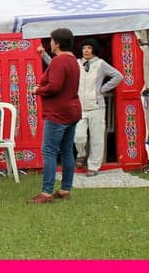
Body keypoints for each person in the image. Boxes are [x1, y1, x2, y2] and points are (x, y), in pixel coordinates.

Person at [30, 27, 82, 203]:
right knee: (67, 151)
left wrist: (38, 90)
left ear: (57, 43)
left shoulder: (60, 61)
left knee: (49, 151)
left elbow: (55, 86)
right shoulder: (72, 60)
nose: (50, 43)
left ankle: (46, 193)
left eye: (51, 40)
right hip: (72, 110)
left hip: (58, 112)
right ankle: (65, 189)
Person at [74, 38, 123, 176]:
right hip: (80, 106)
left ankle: (93, 167)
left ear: (94, 50)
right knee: (78, 136)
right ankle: (81, 154)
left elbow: (118, 76)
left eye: (89, 48)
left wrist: (102, 89)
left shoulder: (100, 63)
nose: (86, 51)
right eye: (84, 48)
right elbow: (58, 66)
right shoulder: (77, 63)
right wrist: (43, 55)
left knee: (97, 138)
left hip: (96, 106)